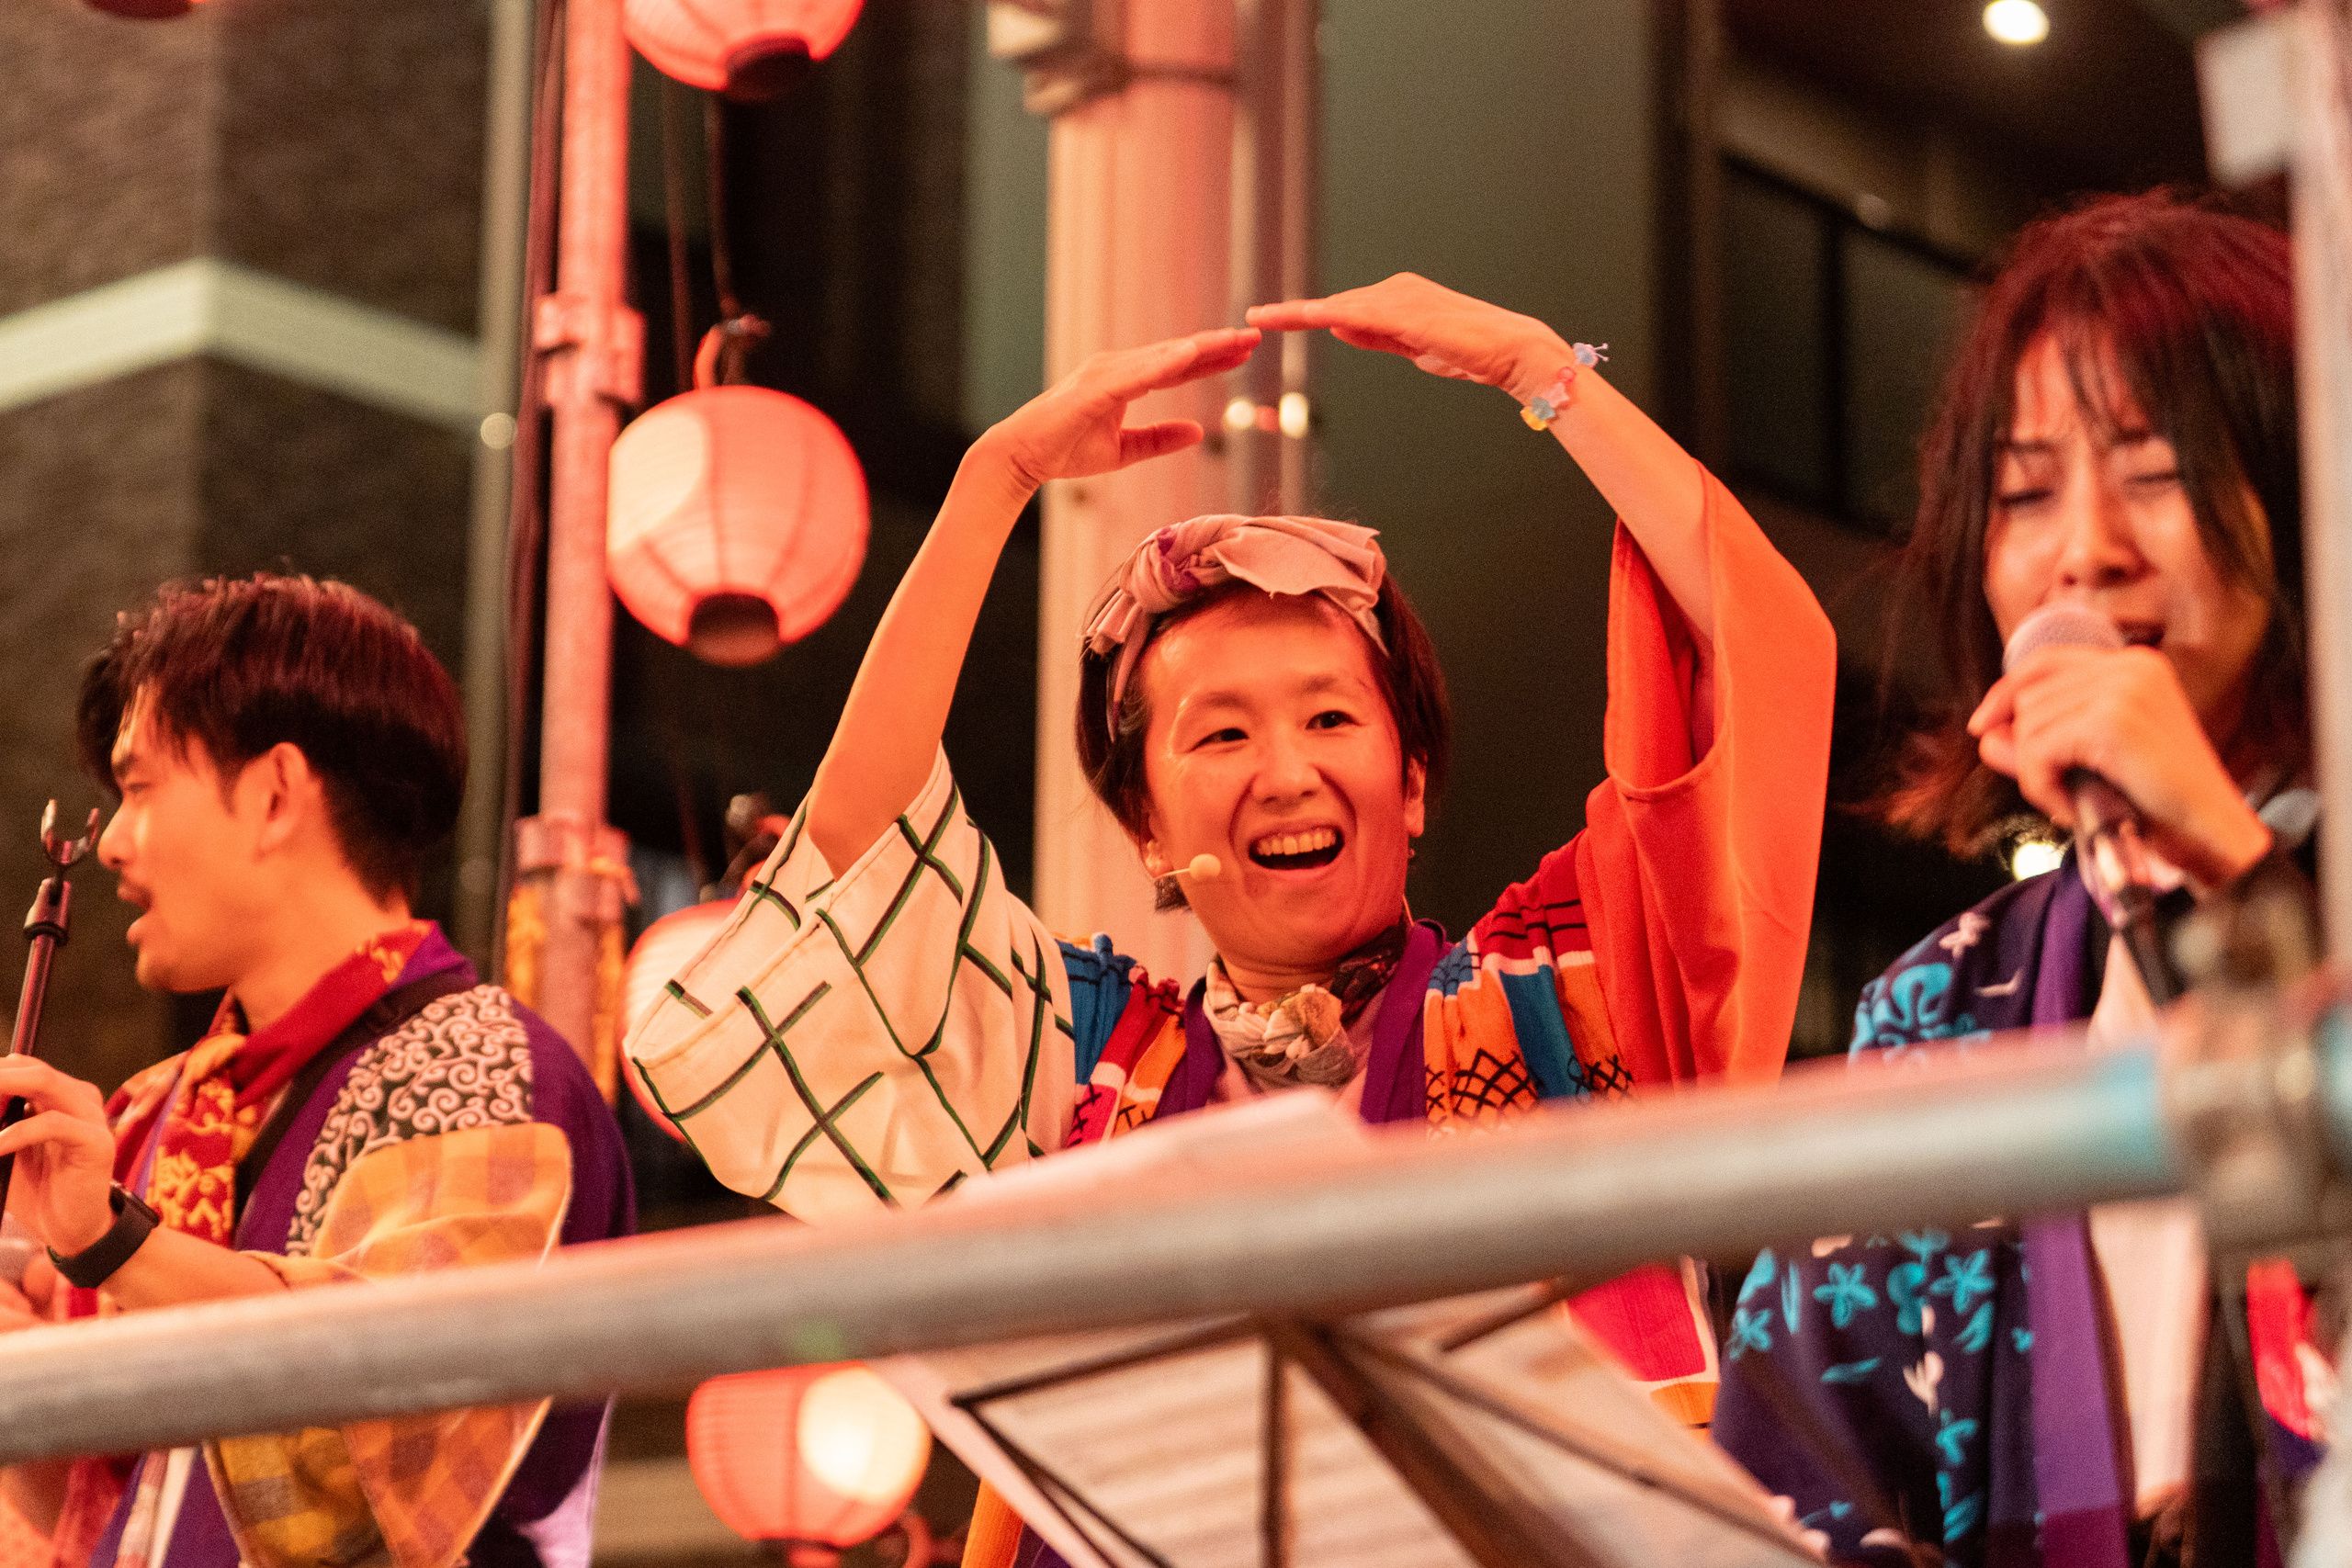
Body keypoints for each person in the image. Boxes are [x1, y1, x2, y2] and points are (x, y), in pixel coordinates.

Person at [625, 276, 1835, 1561]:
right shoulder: (1089, 1070)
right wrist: (995, 480)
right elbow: (853, 885)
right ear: (1147, 827)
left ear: (1412, 781)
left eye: (1331, 716)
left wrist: (1547, 373)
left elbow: (1756, 664)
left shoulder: (1570, 988)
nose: (1287, 770)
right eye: (1220, 734)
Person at [1712, 193, 2323, 1567]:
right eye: (2026, 495)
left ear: (2304, 511)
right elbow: (1790, 1483)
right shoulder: (1948, 1002)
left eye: (2155, 472)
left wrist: (2230, 865)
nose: (2083, 551)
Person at [0, 576, 634, 1568]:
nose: (112, 842)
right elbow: (120, 1508)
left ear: (274, 795)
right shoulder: (155, 1111)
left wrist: (113, 1245)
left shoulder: (484, 1062)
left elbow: (386, 1421)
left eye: (139, 788)